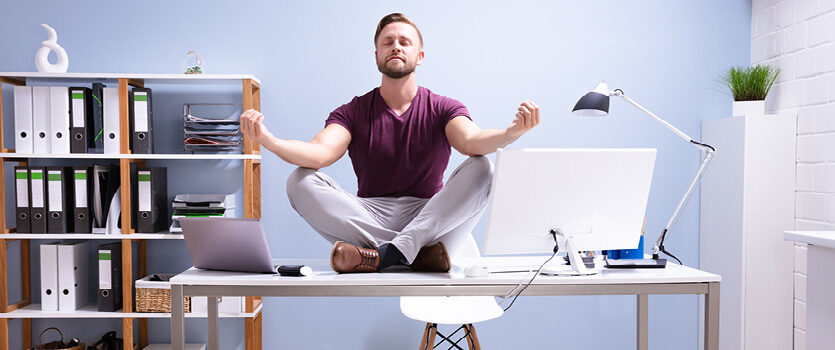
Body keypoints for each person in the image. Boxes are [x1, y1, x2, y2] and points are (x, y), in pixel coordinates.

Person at [239, 13, 540, 273]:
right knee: (299, 181)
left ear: (420, 56)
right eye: (387, 41)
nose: (395, 45)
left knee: (482, 168)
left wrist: (509, 134)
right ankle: (413, 254)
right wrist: (269, 140)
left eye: (405, 42)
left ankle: (384, 256)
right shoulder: (354, 111)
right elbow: (319, 153)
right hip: (371, 216)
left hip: (430, 216)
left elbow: (471, 141)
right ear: (376, 56)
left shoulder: (443, 107)